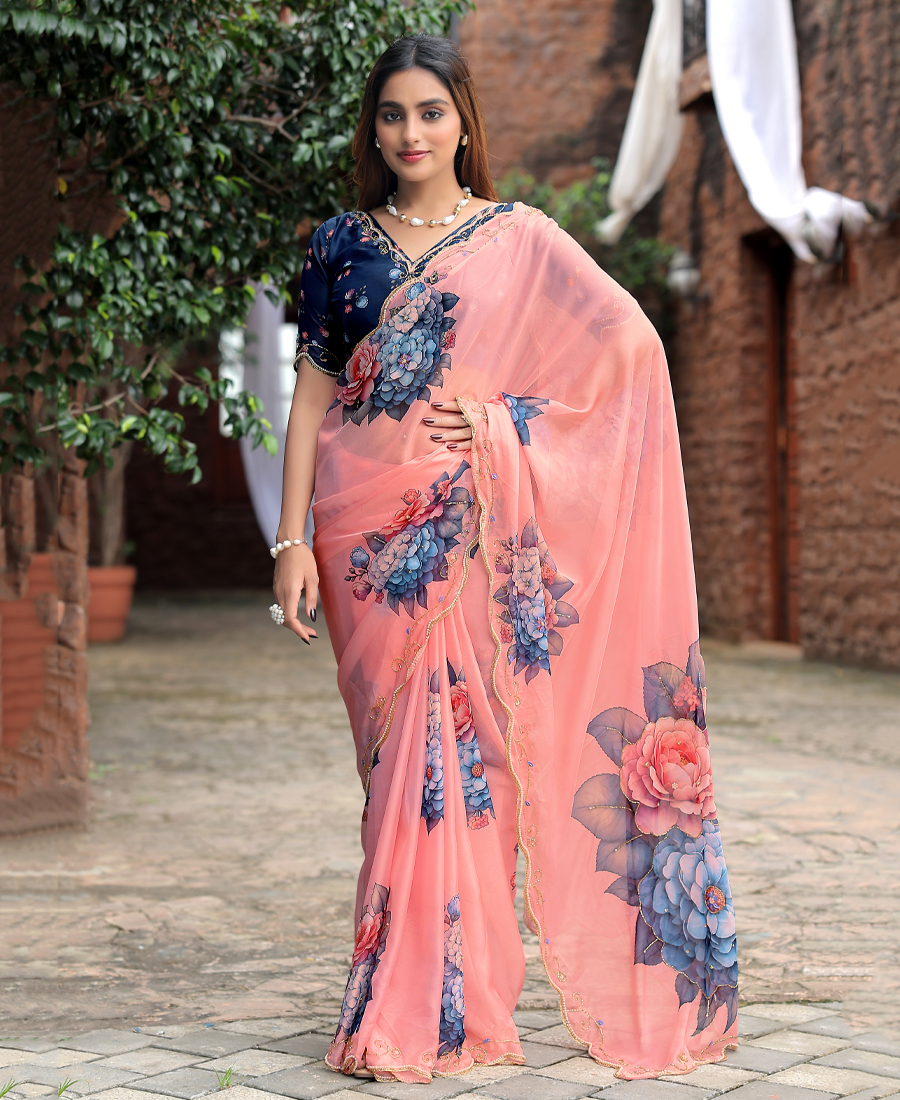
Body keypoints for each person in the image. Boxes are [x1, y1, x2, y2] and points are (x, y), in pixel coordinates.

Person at [272, 32, 738, 1086]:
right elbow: (311, 397)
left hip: (469, 527)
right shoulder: (338, 245)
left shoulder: (518, 237)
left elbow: (629, 347)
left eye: (430, 112)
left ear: (463, 123)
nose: (411, 132)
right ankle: (419, 992)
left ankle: (442, 1009)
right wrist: (290, 540)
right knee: (399, 771)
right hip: (363, 540)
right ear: (373, 129)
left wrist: (501, 419)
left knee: (469, 763)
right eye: (393, 114)